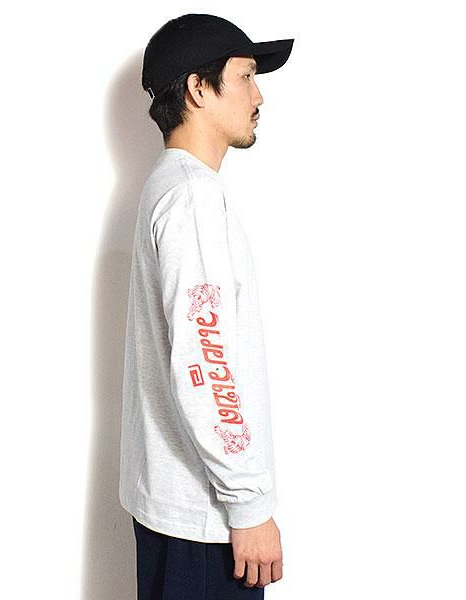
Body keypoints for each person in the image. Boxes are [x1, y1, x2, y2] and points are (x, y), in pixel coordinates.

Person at [119, 13, 294, 599]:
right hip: (206, 519)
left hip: (178, 509)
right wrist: (248, 506)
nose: (258, 95)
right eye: (245, 76)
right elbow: (205, 361)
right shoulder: (192, 199)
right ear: (198, 88)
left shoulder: (168, 187)